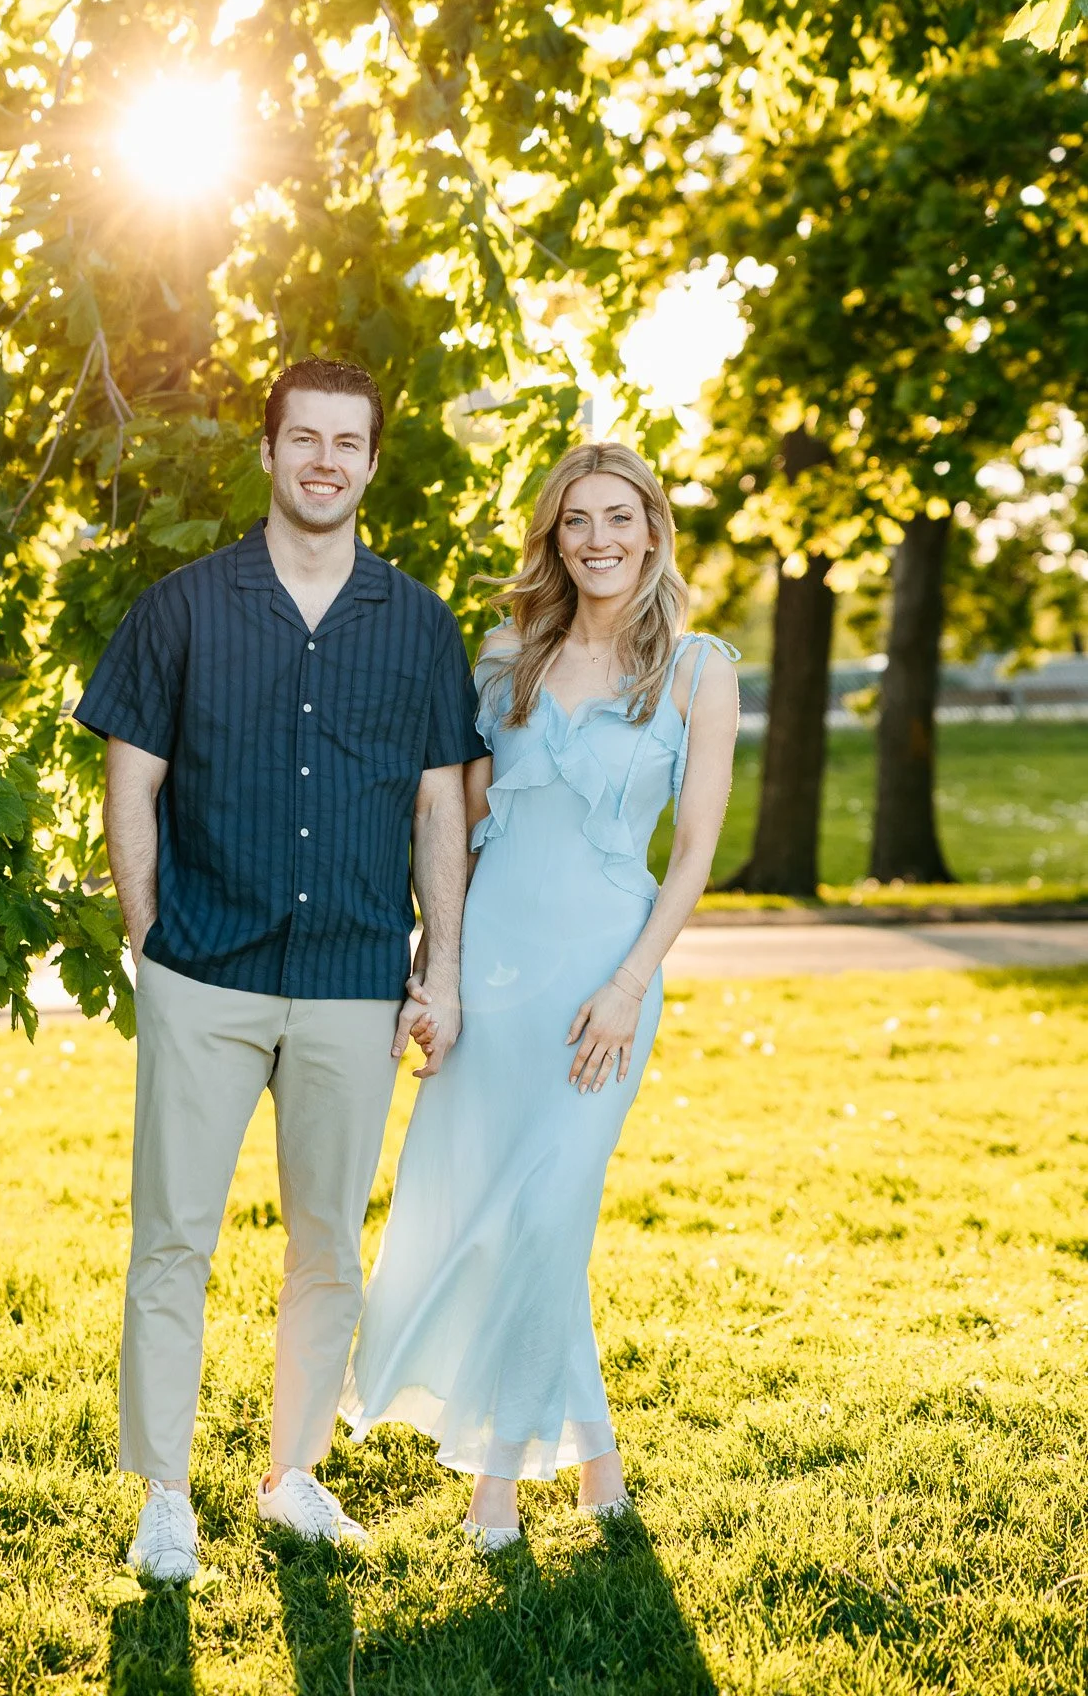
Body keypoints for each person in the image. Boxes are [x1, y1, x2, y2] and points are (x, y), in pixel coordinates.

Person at [74, 356, 485, 1581]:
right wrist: (151, 939)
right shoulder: (182, 608)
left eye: (346, 442)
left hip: (355, 978)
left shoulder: (418, 624)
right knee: (172, 1241)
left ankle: (292, 1472)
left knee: (327, 1246)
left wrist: (440, 968)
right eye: (304, 437)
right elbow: (130, 783)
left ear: (371, 462)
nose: (324, 460)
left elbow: (440, 808)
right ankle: (164, 1494)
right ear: (268, 451)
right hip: (206, 970)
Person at [341, 441, 739, 1549]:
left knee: (546, 1210)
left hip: (603, 978)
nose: (598, 539)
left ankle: (495, 1483)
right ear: (554, 538)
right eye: (577, 520)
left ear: (652, 532)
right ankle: (599, 1467)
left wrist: (627, 984)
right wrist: (439, 970)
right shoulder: (508, 657)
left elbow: (694, 853)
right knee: (518, 1219)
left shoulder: (698, 669)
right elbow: (461, 830)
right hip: (496, 969)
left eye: (618, 517)